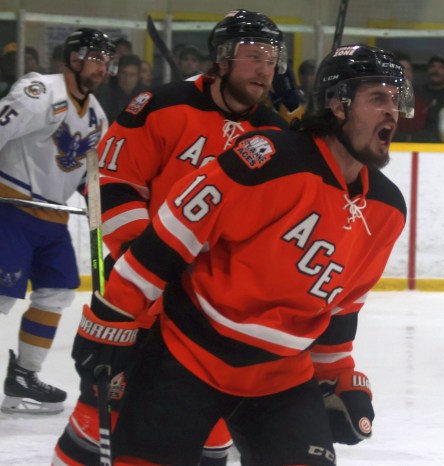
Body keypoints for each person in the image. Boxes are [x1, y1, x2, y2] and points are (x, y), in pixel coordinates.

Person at [68, 43, 413, 465]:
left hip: (282, 376)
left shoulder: (388, 208)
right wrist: (113, 316)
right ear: (338, 106)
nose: (392, 111)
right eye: (378, 98)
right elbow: (170, 238)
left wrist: (339, 379)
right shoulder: (270, 159)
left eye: (396, 100)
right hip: (189, 355)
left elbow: (340, 308)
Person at [52, 9, 289, 466]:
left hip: (218, 319)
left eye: (272, 59)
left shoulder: (277, 135)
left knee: (211, 438)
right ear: (221, 58)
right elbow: (113, 185)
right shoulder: (159, 106)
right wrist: (151, 265)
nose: (265, 69)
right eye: (254, 56)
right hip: (146, 301)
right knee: (100, 420)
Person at [0, 28, 114, 415]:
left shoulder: (98, 116)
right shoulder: (39, 92)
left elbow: (92, 178)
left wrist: (101, 214)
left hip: (53, 218)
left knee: (57, 293)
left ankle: (24, 375)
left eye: (105, 60)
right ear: (74, 58)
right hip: (10, 208)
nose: (102, 67)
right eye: (95, 58)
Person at [95, 53, 147, 124]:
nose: (127, 79)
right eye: (123, 73)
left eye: (132, 75)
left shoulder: (146, 96)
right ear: (118, 74)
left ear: (138, 76)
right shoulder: (103, 94)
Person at [393, 52, 427, 142]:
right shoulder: (385, 100)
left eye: (408, 70)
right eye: (401, 70)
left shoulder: (423, 98)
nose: (405, 74)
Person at [419, 55, 444, 142]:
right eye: (433, 66)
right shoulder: (417, 93)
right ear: (427, 71)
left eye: (441, 67)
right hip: (421, 141)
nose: (436, 70)